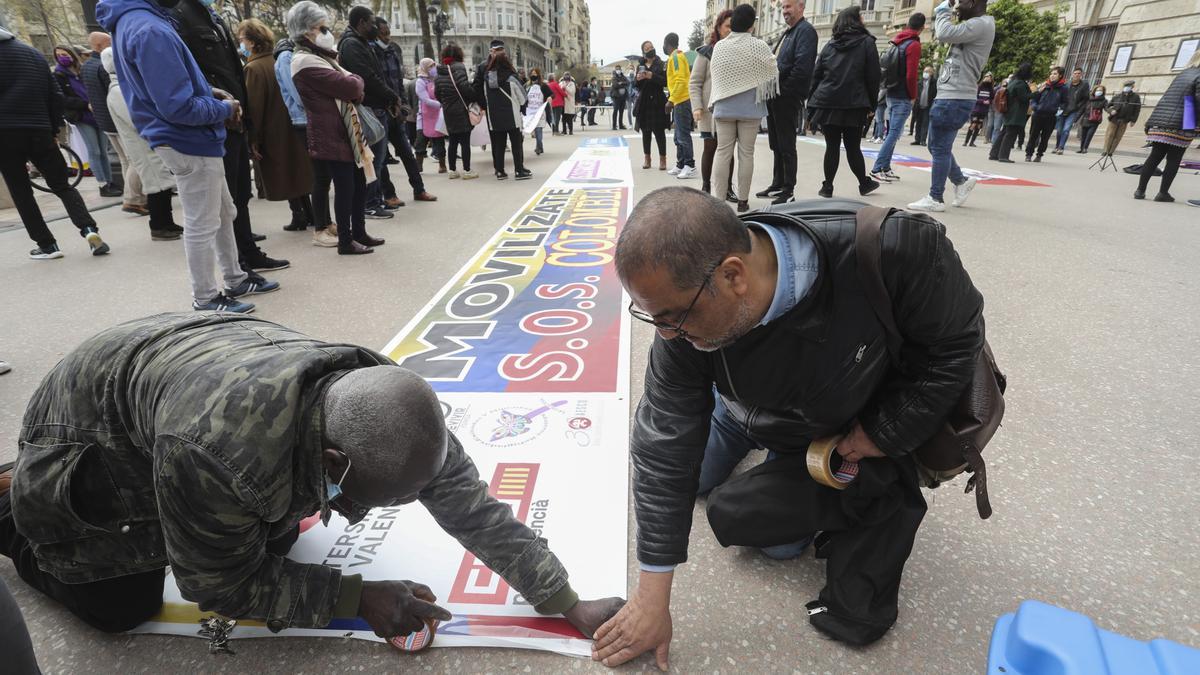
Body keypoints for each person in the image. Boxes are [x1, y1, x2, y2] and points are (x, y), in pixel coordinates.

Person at [0, 313, 625, 641]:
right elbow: (214, 585)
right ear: (331, 464)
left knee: (275, 536)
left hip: (175, 378)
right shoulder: (219, 455)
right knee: (120, 605)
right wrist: (357, 597)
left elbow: (470, 507)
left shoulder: (387, 403)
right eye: (367, 501)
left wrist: (565, 601)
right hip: (89, 433)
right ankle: (14, 504)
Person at [594, 186, 985, 667]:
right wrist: (652, 598)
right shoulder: (684, 311)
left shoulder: (898, 248)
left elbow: (953, 349)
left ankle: (784, 467)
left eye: (673, 319)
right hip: (738, 407)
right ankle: (731, 420)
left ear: (733, 275)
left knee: (773, 540)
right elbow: (664, 443)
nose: (666, 334)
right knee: (683, 481)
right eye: (653, 318)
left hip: (821, 429)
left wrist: (881, 434)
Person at [98, 0, 268, 311]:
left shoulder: (137, 21)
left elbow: (171, 88)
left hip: (189, 136)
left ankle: (234, 277)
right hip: (187, 138)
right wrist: (224, 108)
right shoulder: (150, 29)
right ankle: (205, 296)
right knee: (202, 221)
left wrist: (209, 93)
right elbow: (177, 105)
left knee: (222, 212)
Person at [171, 0, 289, 272]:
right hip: (213, 118)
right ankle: (237, 265)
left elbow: (232, 72)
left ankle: (247, 253)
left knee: (239, 196)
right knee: (222, 204)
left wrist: (246, 122)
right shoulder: (178, 16)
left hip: (233, 117)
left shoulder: (211, 17)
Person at [0, 27, 108, 260]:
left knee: (21, 192)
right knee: (62, 185)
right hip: (40, 128)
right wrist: (52, 128)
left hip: (5, 133)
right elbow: (55, 94)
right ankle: (89, 229)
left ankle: (47, 244)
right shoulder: (31, 53)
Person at [289, 1, 383, 256]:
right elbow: (352, 87)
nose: (326, 32)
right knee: (344, 188)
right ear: (307, 30)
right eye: (321, 27)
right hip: (332, 133)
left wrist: (354, 83)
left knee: (357, 184)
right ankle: (346, 240)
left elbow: (352, 83)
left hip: (344, 130)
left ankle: (359, 232)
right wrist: (355, 83)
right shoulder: (305, 61)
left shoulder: (322, 57)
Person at [907, 0, 993, 213]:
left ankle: (936, 197)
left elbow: (944, 33)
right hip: (953, 94)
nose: (957, 6)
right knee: (936, 146)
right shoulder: (979, 24)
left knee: (939, 147)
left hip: (954, 97)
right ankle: (960, 181)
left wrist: (943, 8)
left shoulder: (980, 24)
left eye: (960, 1)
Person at [238, 19, 316, 237]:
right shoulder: (278, 60)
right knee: (298, 170)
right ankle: (309, 213)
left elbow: (254, 107)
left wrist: (253, 137)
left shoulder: (253, 68)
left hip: (273, 130)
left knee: (284, 172)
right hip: (291, 124)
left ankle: (298, 214)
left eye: (243, 39)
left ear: (252, 42)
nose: (241, 43)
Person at [100, 47, 182, 241]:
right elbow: (135, 118)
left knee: (162, 184)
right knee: (156, 185)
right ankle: (159, 225)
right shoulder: (118, 90)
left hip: (148, 142)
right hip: (143, 144)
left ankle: (166, 223)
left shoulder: (123, 86)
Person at [708, 4, 777, 212]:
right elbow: (773, 71)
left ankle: (718, 202)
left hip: (725, 107)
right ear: (751, 25)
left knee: (722, 153)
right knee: (747, 153)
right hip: (750, 108)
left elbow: (717, 76)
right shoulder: (759, 46)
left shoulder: (720, 47)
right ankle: (743, 201)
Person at [807, 6, 881, 199]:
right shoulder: (867, 43)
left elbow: (817, 76)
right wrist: (871, 105)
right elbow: (873, 78)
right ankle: (864, 183)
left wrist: (812, 103)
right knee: (852, 146)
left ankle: (827, 186)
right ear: (855, 20)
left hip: (827, 102)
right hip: (854, 104)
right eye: (861, 16)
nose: (863, 19)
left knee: (831, 146)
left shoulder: (830, 45)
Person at [336, 7, 398, 221]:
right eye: (372, 23)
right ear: (362, 23)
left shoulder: (360, 42)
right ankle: (369, 203)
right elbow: (368, 77)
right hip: (368, 107)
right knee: (372, 160)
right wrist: (391, 95)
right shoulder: (352, 44)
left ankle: (375, 199)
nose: (375, 27)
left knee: (377, 160)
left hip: (375, 106)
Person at [274, 33, 336, 242]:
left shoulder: (298, 54)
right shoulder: (286, 57)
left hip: (310, 117)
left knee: (324, 175)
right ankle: (320, 227)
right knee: (319, 175)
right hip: (304, 119)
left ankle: (326, 222)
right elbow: (298, 93)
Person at [757, 0, 817, 205]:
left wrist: (785, 92)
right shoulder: (789, 32)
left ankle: (788, 188)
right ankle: (778, 183)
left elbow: (802, 68)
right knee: (776, 143)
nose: (784, 11)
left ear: (801, 7)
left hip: (786, 96)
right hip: (775, 96)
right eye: (783, 8)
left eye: (788, 7)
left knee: (786, 144)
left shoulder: (805, 31)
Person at [373, 17, 437, 205]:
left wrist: (404, 106)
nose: (387, 37)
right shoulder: (370, 53)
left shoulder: (392, 52)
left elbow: (398, 81)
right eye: (383, 34)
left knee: (407, 154)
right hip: (380, 112)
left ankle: (419, 190)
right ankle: (389, 194)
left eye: (388, 33)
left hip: (396, 112)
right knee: (381, 157)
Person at [82, 32, 145, 214]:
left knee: (126, 160)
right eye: (109, 42)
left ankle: (133, 196)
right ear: (100, 45)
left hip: (106, 119)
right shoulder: (104, 66)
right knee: (135, 159)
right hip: (117, 119)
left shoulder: (87, 66)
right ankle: (133, 198)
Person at [53, 45, 120, 198]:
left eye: (65, 54)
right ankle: (102, 184)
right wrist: (84, 105)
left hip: (96, 114)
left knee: (103, 150)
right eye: (59, 55)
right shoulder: (58, 75)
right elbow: (62, 99)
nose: (62, 57)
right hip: (81, 116)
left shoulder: (81, 71)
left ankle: (110, 181)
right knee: (94, 150)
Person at [1135, 53, 1199, 202]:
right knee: (1174, 159)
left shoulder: (1182, 74)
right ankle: (1163, 193)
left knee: (1154, 157)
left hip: (1161, 122)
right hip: (1182, 123)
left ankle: (1140, 191)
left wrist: (1151, 121)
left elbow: (1166, 98)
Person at [871, 12, 924, 183]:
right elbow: (911, 75)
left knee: (891, 133)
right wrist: (913, 95)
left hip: (891, 92)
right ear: (922, 27)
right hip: (902, 95)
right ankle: (877, 168)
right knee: (893, 133)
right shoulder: (913, 45)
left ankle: (885, 167)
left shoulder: (898, 40)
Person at [690, 8, 734, 195]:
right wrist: (697, 107)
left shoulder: (738, 51)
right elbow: (695, 82)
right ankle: (706, 186)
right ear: (718, 27)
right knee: (710, 147)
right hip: (709, 110)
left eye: (734, 27)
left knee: (728, 151)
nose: (730, 31)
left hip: (731, 109)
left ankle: (727, 188)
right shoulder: (706, 52)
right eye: (727, 27)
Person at [474, 39, 530, 181]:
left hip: (494, 114)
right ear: (492, 51)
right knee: (516, 142)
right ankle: (519, 169)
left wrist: (486, 104)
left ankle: (499, 170)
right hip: (510, 113)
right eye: (498, 50)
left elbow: (477, 88)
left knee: (497, 143)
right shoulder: (509, 72)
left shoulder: (487, 75)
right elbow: (522, 95)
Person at [434, 42, 480, 180]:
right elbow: (464, 88)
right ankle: (467, 170)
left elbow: (437, 93)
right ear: (459, 54)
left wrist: (446, 103)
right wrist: (474, 94)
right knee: (465, 141)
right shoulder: (459, 67)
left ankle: (452, 170)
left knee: (452, 141)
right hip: (461, 109)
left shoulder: (439, 71)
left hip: (448, 111)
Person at [663, 32, 696, 179]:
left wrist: (671, 99)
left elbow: (680, 80)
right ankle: (681, 163)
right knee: (678, 135)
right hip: (679, 100)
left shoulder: (675, 57)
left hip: (681, 100)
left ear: (667, 44)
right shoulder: (676, 57)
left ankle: (690, 164)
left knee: (683, 135)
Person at [987, 62, 1032, 163]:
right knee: (1010, 134)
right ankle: (1003, 156)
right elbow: (1023, 97)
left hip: (1009, 111)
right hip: (1015, 112)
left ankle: (994, 154)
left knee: (1004, 133)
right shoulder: (1020, 83)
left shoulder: (1013, 81)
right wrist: (1036, 94)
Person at [635, 41, 669, 170]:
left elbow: (665, 82)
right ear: (643, 52)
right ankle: (647, 158)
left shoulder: (661, 64)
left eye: (651, 47)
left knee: (659, 132)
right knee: (646, 132)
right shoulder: (641, 66)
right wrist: (638, 79)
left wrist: (652, 76)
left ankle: (662, 159)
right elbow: (636, 86)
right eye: (647, 48)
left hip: (658, 101)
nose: (650, 49)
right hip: (644, 102)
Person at [1026, 66, 1067, 162]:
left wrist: (1059, 109)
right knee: (1033, 135)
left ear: (1060, 76)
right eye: (1051, 74)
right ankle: (1029, 154)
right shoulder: (1044, 85)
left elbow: (1065, 102)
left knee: (1045, 137)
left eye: (1055, 74)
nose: (1052, 76)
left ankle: (1039, 154)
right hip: (1038, 114)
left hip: (1051, 116)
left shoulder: (1064, 88)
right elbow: (1034, 98)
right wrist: (1035, 107)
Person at [414, 58, 447, 171]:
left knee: (439, 142)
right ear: (425, 68)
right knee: (420, 142)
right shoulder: (420, 82)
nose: (433, 68)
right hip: (423, 117)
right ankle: (418, 166)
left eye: (434, 65)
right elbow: (425, 99)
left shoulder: (437, 79)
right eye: (430, 66)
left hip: (437, 116)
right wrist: (441, 104)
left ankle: (442, 166)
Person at [1055, 66, 1089, 154]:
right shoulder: (1066, 84)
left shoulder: (1084, 85)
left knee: (1066, 130)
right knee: (1059, 130)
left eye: (1078, 73)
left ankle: (1061, 148)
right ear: (1072, 74)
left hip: (1073, 111)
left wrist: (1078, 110)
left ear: (1081, 75)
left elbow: (1085, 99)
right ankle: (1057, 146)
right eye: (1075, 73)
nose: (1076, 75)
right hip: (1062, 110)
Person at [1102, 79, 1141, 157]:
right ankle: (1105, 150)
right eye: (1126, 86)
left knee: (1118, 136)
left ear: (1132, 87)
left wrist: (1133, 120)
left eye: (1129, 86)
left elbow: (1137, 110)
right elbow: (1107, 106)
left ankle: (1111, 152)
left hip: (1125, 120)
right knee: (1110, 134)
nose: (1127, 87)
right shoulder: (1117, 96)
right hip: (1114, 119)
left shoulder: (1136, 97)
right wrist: (1111, 111)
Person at [526, 68, 552, 156]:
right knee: (533, 129)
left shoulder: (543, 86)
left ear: (538, 75)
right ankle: (539, 146)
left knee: (538, 129)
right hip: (530, 112)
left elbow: (552, 94)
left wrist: (550, 97)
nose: (533, 76)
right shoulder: (527, 86)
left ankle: (539, 147)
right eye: (532, 74)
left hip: (540, 111)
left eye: (535, 74)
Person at [963, 72, 993, 146]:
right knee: (973, 124)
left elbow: (992, 98)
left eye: (990, 77)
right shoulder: (979, 87)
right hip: (976, 109)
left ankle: (972, 142)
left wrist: (989, 101)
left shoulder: (990, 89)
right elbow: (975, 97)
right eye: (987, 77)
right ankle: (966, 141)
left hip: (984, 110)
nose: (988, 78)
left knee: (979, 125)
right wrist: (982, 101)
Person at [1077, 84, 1106, 154]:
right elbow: (1082, 110)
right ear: (1094, 91)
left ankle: (1085, 148)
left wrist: (1111, 111)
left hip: (1095, 120)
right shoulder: (1088, 99)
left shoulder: (1104, 100)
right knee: (1083, 135)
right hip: (1085, 119)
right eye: (1098, 90)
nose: (1099, 91)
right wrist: (1076, 119)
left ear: (1103, 92)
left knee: (1089, 135)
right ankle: (1081, 148)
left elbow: (1107, 107)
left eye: (1101, 90)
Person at [911, 66, 936, 145]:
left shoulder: (934, 83)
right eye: (925, 71)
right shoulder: (920, 82)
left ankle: (923, 140)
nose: (925, 73)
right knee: (918, 123)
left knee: (925, 123)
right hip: (919, 106)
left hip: (928, 106)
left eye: (927, 71)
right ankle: (917, 139)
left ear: (931, 73)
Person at [610, 64, 629, 130]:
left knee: (621, 111)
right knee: (615, 111)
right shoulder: (614, 77)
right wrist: (622, 84)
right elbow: (615, 85)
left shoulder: (623, 76)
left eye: (619, 69)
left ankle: (621, 125)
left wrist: (621, 83)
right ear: (615, 70)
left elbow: (628, 82)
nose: (618, 70)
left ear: (621, 70)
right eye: (617, 69)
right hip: (616, 97)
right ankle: (614, 125)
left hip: (623, 97)